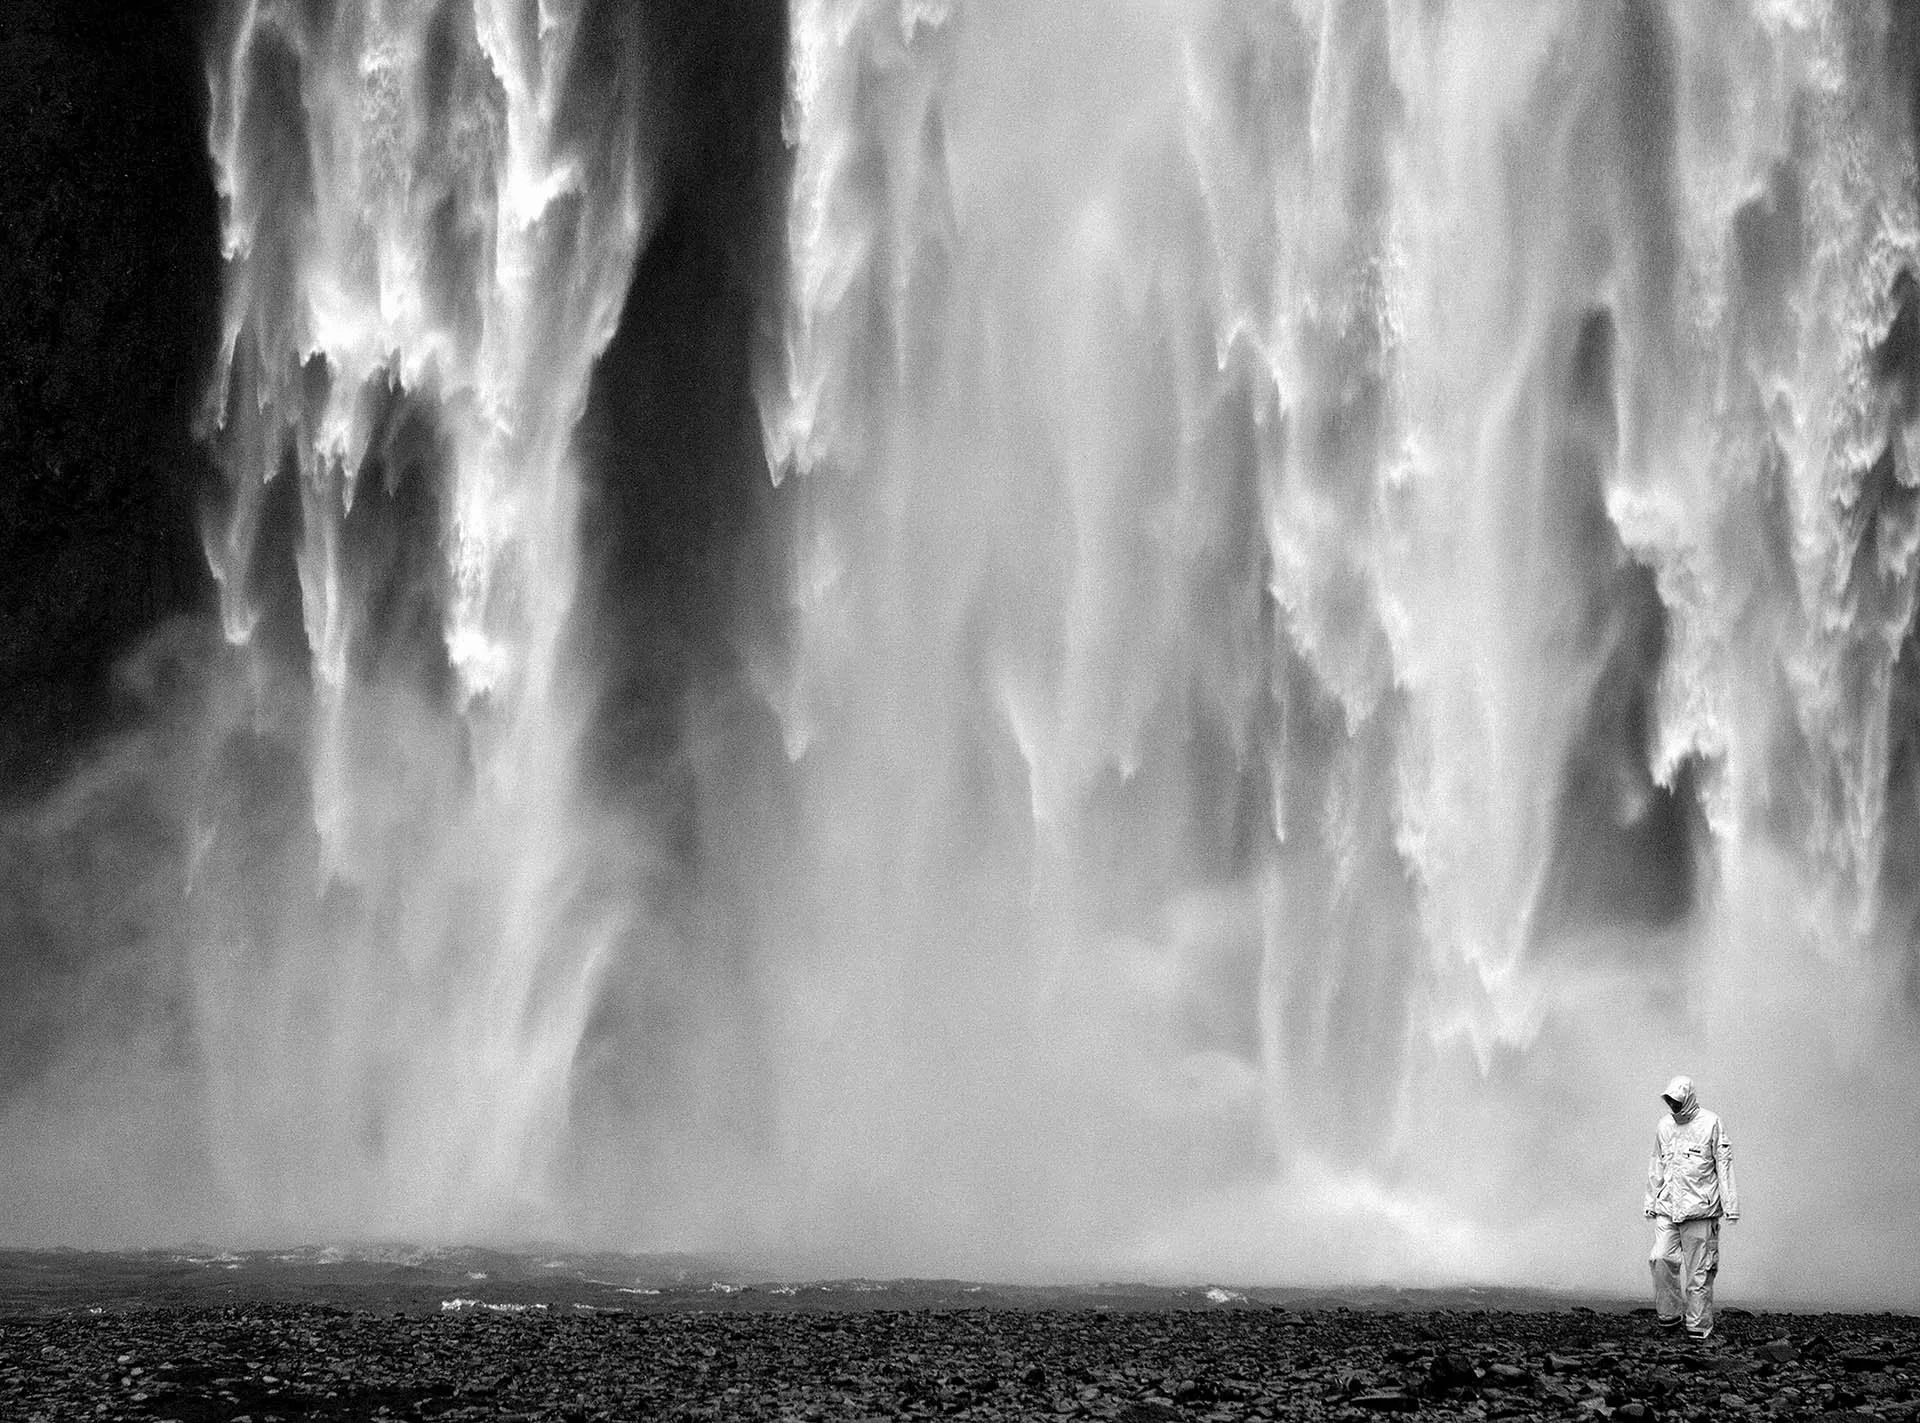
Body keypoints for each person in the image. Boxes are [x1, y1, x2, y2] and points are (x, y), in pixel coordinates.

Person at [1644, 1074, 1739, 1339]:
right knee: (1660, 1258)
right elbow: (1656, 1164)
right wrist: (1650, 1201)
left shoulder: (1711, 1123)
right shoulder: (1664, 1126)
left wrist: (1730, 1206)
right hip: (1668, 1206)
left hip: (1700, 1210)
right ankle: (1669, 1317)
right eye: (1670, 1100)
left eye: (1677, 1100)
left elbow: (1724, 1164)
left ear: (1688, 1097)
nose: (1673, 1105)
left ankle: (1698, 1329)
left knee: (1699, 1272)